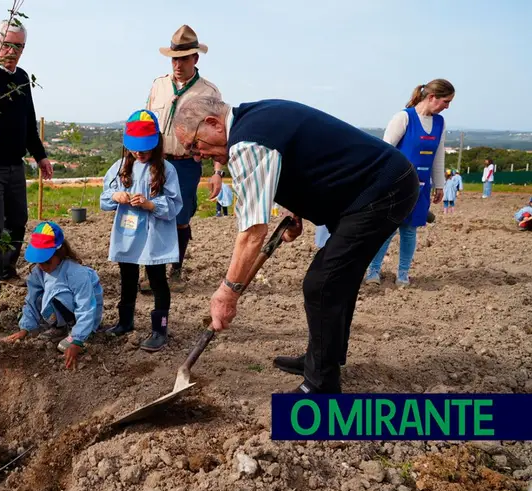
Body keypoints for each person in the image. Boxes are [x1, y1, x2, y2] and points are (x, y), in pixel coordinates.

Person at [173, 96, 418, 394]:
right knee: (336, 280)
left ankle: (321, 384)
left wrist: (227, 292)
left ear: (212, 124)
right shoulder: (255, 118)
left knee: (323, 283)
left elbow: (252, 234)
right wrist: (294, 208)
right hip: (372, 189)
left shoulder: (248, 142)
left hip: (381, 191)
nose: (197, 155)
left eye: (194, 145)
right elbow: (304, 158)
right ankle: (323, 358)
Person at [146, 25, 224, 285]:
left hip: (187, 165)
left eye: (184, 59)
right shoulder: (159, 85)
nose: (178, 64)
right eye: (174, 58)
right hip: (157, 161)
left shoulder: (208, 93)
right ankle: (152, 273)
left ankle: (176, 270)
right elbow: (146, 124)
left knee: (180, 218)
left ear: (195, 59)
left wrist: (216, 172)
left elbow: (218, 134)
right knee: (154, 214)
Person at [0, 20, 53, 296]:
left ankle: (7, 270)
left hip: (15, 165)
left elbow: (28, 122)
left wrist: (41, 156)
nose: (13, 51)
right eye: (9, 44)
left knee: (18, 219)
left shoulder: (22, 78)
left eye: (19, 46)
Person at [101, 110, 182, 352]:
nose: (139, 153)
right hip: (128, 235)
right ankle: (125, 321)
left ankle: (160, 328)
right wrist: (116, 195)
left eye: (145, 148)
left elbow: (175, 204)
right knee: (127, 277)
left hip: (154, 236)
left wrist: (150, 204)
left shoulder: (167, 170)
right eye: (135, 148)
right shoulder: (120, 167)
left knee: (157, 280)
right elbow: (105, 199)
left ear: (156, 143)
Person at [365, 79, 454, 288]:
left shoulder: (440, 123)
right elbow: (385, 152)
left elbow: (438, 155)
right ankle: (373, 271)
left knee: (410, 230)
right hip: (397, 185)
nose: (447, 107)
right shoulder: (404, 118)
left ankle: (403, 274)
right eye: (446, 101)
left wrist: (439, 184)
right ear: (432, 97)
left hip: (422, 187)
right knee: (388, 229)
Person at [4, 222, 104, 369]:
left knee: (58, 294)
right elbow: (31, 302)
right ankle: (59, 327)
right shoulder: (38, 273)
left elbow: (86, 306)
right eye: (39, 262)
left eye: (47, 262)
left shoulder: (76, 273)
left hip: (85, 316)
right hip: (63, 308)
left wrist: (77, 340)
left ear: (60, 253)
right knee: (38, 295)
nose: (43, 267)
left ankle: (78, 331)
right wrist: (25, 328)